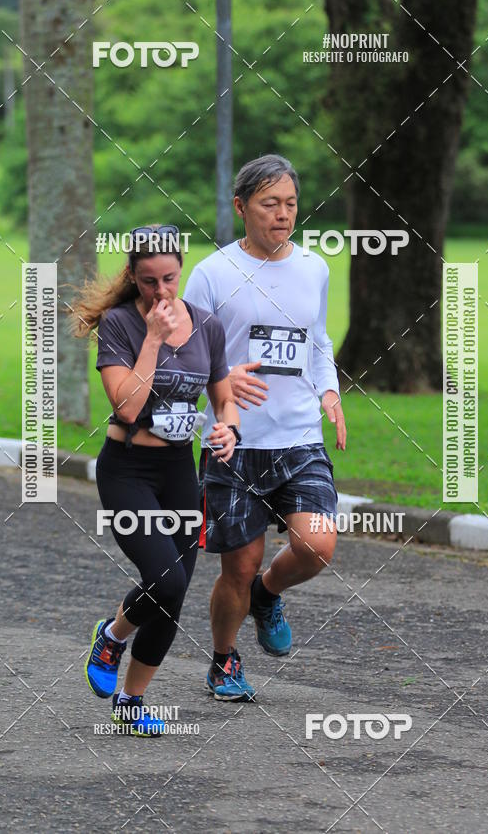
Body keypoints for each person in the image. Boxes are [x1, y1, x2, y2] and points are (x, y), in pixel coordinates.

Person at [184, 155, 346, 701]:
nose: (283, 215)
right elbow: (184, 354)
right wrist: (222, 373)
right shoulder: (212, 273)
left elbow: (318, 340)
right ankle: (224, 661)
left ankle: (268, 593)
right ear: (241, 208)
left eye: (291, 204)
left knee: (318, 544)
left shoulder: (314, 269)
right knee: (239, 564)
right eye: (269, 204)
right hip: (235, 443)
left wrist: (329, 390)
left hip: (300, 435)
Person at [71, 224, 241, 734]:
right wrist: (153, 339)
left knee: (175, 589)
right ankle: (113, 635)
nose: (161, 292)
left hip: (177, 472)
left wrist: (228, 427)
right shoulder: (122, 325)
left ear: (181, 270)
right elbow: (126, 403)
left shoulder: (207, 326)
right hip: (127, 470)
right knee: (165, 577)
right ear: (134, 277)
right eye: (149, 282)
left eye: (169, 279)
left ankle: (130, 702)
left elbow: (224, 397)